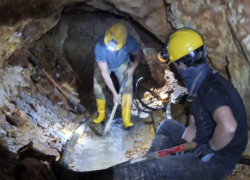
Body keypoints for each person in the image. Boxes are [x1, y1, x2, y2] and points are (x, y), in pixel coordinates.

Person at [52, 28, 248, 180]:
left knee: (152, 169)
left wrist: (211, 148)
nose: (174, 67)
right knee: (168, 126)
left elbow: (229, 126)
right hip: (204, 144)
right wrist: (180, 148)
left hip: (218, 160)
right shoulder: (200, 84)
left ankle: (145, 172)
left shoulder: (212, 89)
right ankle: (149, 165)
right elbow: (194, 127)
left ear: (182, 63)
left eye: (173, 63)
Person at [93, 22, 142, 128]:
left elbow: (138, 54)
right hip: (104, 66)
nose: (111, 46)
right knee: (97, 87)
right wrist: (115, 94)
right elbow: (105, 73)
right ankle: (102, 115)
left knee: (127, 89)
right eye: (110, 43)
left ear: (123, 43)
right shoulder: (100, 46)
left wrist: (133, 67)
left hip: (122, 64)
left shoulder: (130, 42)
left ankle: (126, 120)